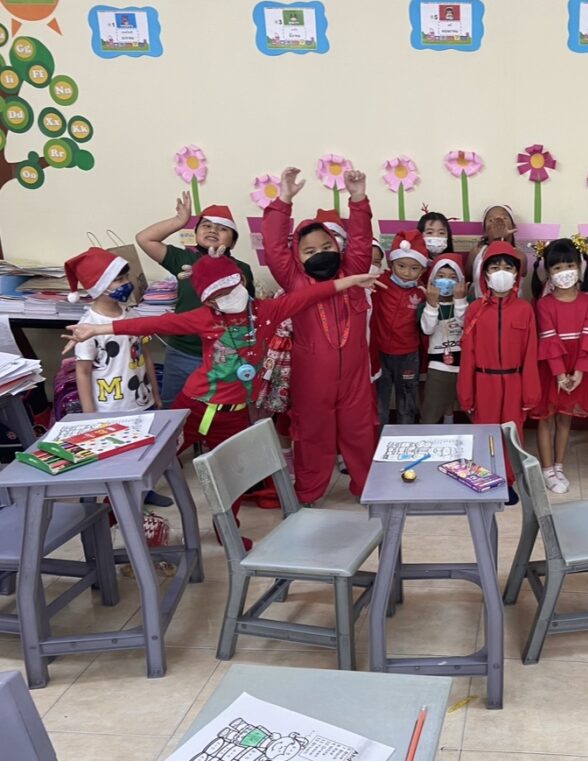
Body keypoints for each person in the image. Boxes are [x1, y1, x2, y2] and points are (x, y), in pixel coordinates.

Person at [64, 250, 382, 546]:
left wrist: (354, 280)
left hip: (234, 415)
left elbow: (313, 294)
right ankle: (110, 510)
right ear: (208, 301)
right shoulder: (205, 318)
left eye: (229, 289)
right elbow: (157, 323)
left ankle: (227, 531)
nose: (227, 298)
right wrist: (96, 330)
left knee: (232, 476)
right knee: (151, 459)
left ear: (241, 282)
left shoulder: (269, 311)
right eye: (217, 296)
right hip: (193, 406)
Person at [263, 167, 380, 502]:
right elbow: (273, 247)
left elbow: (359, 239)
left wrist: (358, 198)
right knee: (312, 437)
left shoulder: (354, 273)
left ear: (337, 248)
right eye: (309, 251)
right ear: (297, 259)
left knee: (360, 434)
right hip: (311, 380)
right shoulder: (295, 282)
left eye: (326, 246)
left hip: (355, 379)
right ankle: (309, 493)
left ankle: (368, 488)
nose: (320, 254)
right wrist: (282, 200)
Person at [66, 247, 170, 508]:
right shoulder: (87, 326)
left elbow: (144, 354)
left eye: (126, 278)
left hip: (141, 399)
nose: (126, 284)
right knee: (117, 458)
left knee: (144, 453)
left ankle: (144, 492)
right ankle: (118, 502)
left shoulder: (131, 315)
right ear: (98, 286)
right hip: (110, 407)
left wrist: (155, 393)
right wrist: (90, 416)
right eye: (118, 280)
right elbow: (83, 370)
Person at [136, 197, 255, 407]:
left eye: (222, 229)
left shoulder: (241, 269)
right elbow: (145, 239)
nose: (213, 230)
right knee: (176, 410)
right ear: (196, 233)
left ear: (233, 241)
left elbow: (250, 312)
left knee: (221, 411)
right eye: (206, 226)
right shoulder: (185, 260)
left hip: (225, 356)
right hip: (183, 352)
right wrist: (179, 221)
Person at [528, 238, 588, 493]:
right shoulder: (544, 304)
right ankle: (547, 469)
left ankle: (559, 465)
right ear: (548, 272)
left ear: (580, 267)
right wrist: (560, 374)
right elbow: (548, 339)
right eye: (557, 268)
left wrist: (580, 371)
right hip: (552, 366)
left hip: (578, 363)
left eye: (569, 265)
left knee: (566, 418)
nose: (564, 273)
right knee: (545, 418)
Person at [458, 242, 541, 452]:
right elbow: (468, 354)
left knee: (513, 436)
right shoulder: (476, 309)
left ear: (516, 273)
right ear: (485, 274)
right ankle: (486, 479)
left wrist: (530, 392)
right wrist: (466, 394)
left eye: (508, 268)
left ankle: (511, 480)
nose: (501, 273)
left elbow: (530, 353)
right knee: (485, 437)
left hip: (515, 382)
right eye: (494, 268)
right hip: (484, 382)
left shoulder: (525, 309)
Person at [373, 230, 428, 426]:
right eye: (401, 266)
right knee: (380, 404)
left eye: (414, 268)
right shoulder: (380, 283)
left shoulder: (421, 292)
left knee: (407, 404)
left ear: (422, 270)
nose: (406, 272)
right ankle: (378, 444)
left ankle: (407, 441)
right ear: (391, 264)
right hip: (380, 353)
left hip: (408, 356)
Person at [419, 254, 469, 424]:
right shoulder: (426, 305)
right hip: (438, 366)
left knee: (471, 408)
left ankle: (451, 425)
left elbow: (466, 326)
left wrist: (461, 300)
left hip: (465, 366)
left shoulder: (467, 303)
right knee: (431, 412)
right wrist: (431, 304)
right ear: (432, 280)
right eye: (440, 277)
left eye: (452, 277)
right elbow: (427, 329)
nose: (446, 282)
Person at [466, 204, 518, 297]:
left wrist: (500, 240)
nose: (498, 222)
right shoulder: (477, 251)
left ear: (513, 225)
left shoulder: (518, 254)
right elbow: (468, 277)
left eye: (504, 218)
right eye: (491, 220)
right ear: (485, 230)